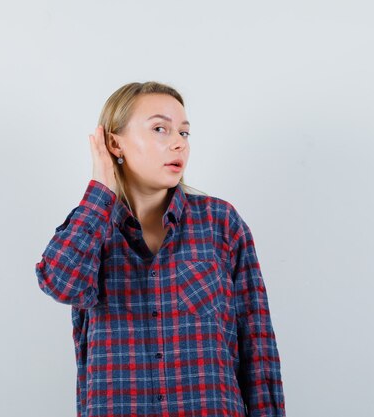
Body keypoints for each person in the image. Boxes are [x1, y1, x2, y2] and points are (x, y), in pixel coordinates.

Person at [35, 81, 286, 417]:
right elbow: (60, 284)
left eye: (184, 133)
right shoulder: (90, 227)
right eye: (159, 129)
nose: (178, 144)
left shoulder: (220, 222)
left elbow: (258, 349)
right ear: (114, 142)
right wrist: (100, 189)